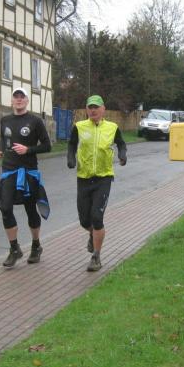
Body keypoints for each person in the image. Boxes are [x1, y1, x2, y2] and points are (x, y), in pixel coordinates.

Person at [0, 87, 52, 268]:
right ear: (11, 100)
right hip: (9, 171)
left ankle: (36, 246)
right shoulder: (5, 120)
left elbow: (47, 146)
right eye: (16, 97)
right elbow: (4, 139)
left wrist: (28, 150)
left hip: (28, 172)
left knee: (30, 210)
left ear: (27, 100)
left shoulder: (35, 121)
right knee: (5, 207)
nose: (18, 99)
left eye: (22, 97)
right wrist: (0, 151)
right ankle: (14, 249)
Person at [67, 95, 127, 272]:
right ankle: (93, 234)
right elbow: (71, 145)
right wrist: (71, 159)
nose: (93, 110)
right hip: (83, 178)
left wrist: (122, 155)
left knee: (97, 217)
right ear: (87, 109)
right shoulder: (79, 126)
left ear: (103, 109)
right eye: (90, 107)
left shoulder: (112, 127)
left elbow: (121, 144)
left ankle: (96, 256)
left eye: (96, 107)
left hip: (103, 177)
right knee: (84, 220)